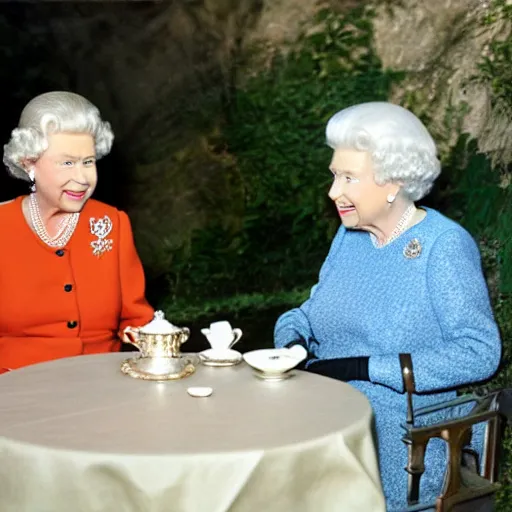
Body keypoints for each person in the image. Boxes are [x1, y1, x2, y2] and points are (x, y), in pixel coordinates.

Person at [274, 102, 502, 511]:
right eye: (334, 176)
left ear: (393, 182)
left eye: (348, 178)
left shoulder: (442, 246)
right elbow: (309, 313)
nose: (333, 192)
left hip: (395, 447)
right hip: (320, 420)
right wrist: (292, 339)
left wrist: (367, 367)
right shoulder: (350, 237)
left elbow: (480, 353)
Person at [1, 91, 154, 372]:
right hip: (16, 392)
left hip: (101, 385)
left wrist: (152, 341)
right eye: (67, 163)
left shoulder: (112, 223)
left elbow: (137, 320)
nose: (83, 178)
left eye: (88, 162)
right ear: (29, 162)